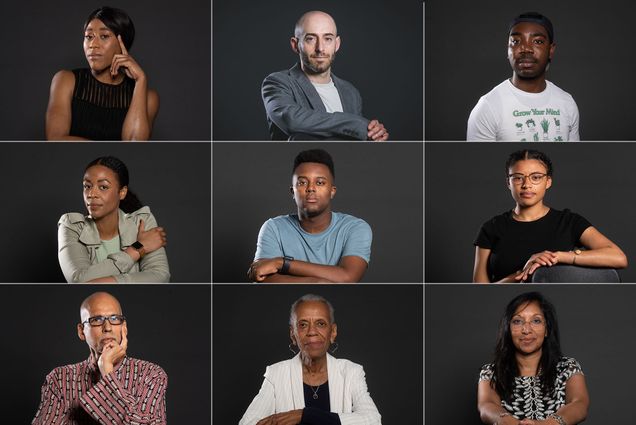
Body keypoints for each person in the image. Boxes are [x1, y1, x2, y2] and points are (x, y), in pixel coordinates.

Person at [473, 149, 627, 283]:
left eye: (536, 177)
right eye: (518, 177)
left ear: (548, 181)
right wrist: (523, 273)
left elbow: (618, 257)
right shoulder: (491, 227)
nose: (527, 184)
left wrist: (559, 256)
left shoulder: (569, 221)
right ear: (508, 183)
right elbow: (479, 292)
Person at [240, 294, 381, 425]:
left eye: (321, 323)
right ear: (293, 334)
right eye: (303, 324)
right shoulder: (276, 374)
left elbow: (373, 420)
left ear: (333, 332)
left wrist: (305, 415)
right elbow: (248, 422)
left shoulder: (352, 372)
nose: (312, 332)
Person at [32, 291, 168, 424]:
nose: (107, 327)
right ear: (81, 331)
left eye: (114, 319)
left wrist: (107, 371)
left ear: (124, 327)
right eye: (97, 319)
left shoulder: (151, 374)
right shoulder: (59, 378)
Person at [247, 149, 372, 283]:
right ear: (292, 192)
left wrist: (282, 263)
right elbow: (262, 278)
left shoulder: (355, 228)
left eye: (319, 182)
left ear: (332, 191)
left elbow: (348, 277)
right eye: (302, 182)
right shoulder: (273, 228)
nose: (311, 188)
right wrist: (314, 282)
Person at [261, 10, 388, 141]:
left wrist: (374, 133)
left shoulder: (350, 92)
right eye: (310, 39)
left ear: (336, 44)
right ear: (295, 45)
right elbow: (290, 120)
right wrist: (358, 125)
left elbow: (356, 144)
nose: (320, 48)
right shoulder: (278, 82)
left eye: (327, 39)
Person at [46, 6, 159, 141]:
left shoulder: (149, 98)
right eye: (88, 36)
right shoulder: (65, 81)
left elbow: (134, 144)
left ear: (123, 43)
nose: (93, 44)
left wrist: (141, 80)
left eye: (104, 36)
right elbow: (55, 139)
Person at [477, 292, 589, 424]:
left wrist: (546, 424)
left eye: (536, 321)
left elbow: (579, 404)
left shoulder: (567, 367)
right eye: (517, 321)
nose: (526, 330)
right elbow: (486, 406)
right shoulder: (491, 372)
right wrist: (510, 423)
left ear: (546, 329)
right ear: (508, 329)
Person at [467, 12, 579, 141]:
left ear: (551, 50)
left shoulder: (567, 103)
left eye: (537, 41)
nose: (526, 48)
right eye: (516, 41)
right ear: (508, 49)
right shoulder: (488, 107)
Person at [58, 156, 170, 283]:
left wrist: (105, 281)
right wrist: (137, 249)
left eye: (103, 187)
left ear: (122, 192)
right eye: (87, 186)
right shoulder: (71, 226)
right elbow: (78, 280)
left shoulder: (142, 221)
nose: (91, 194)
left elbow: (160, 277)